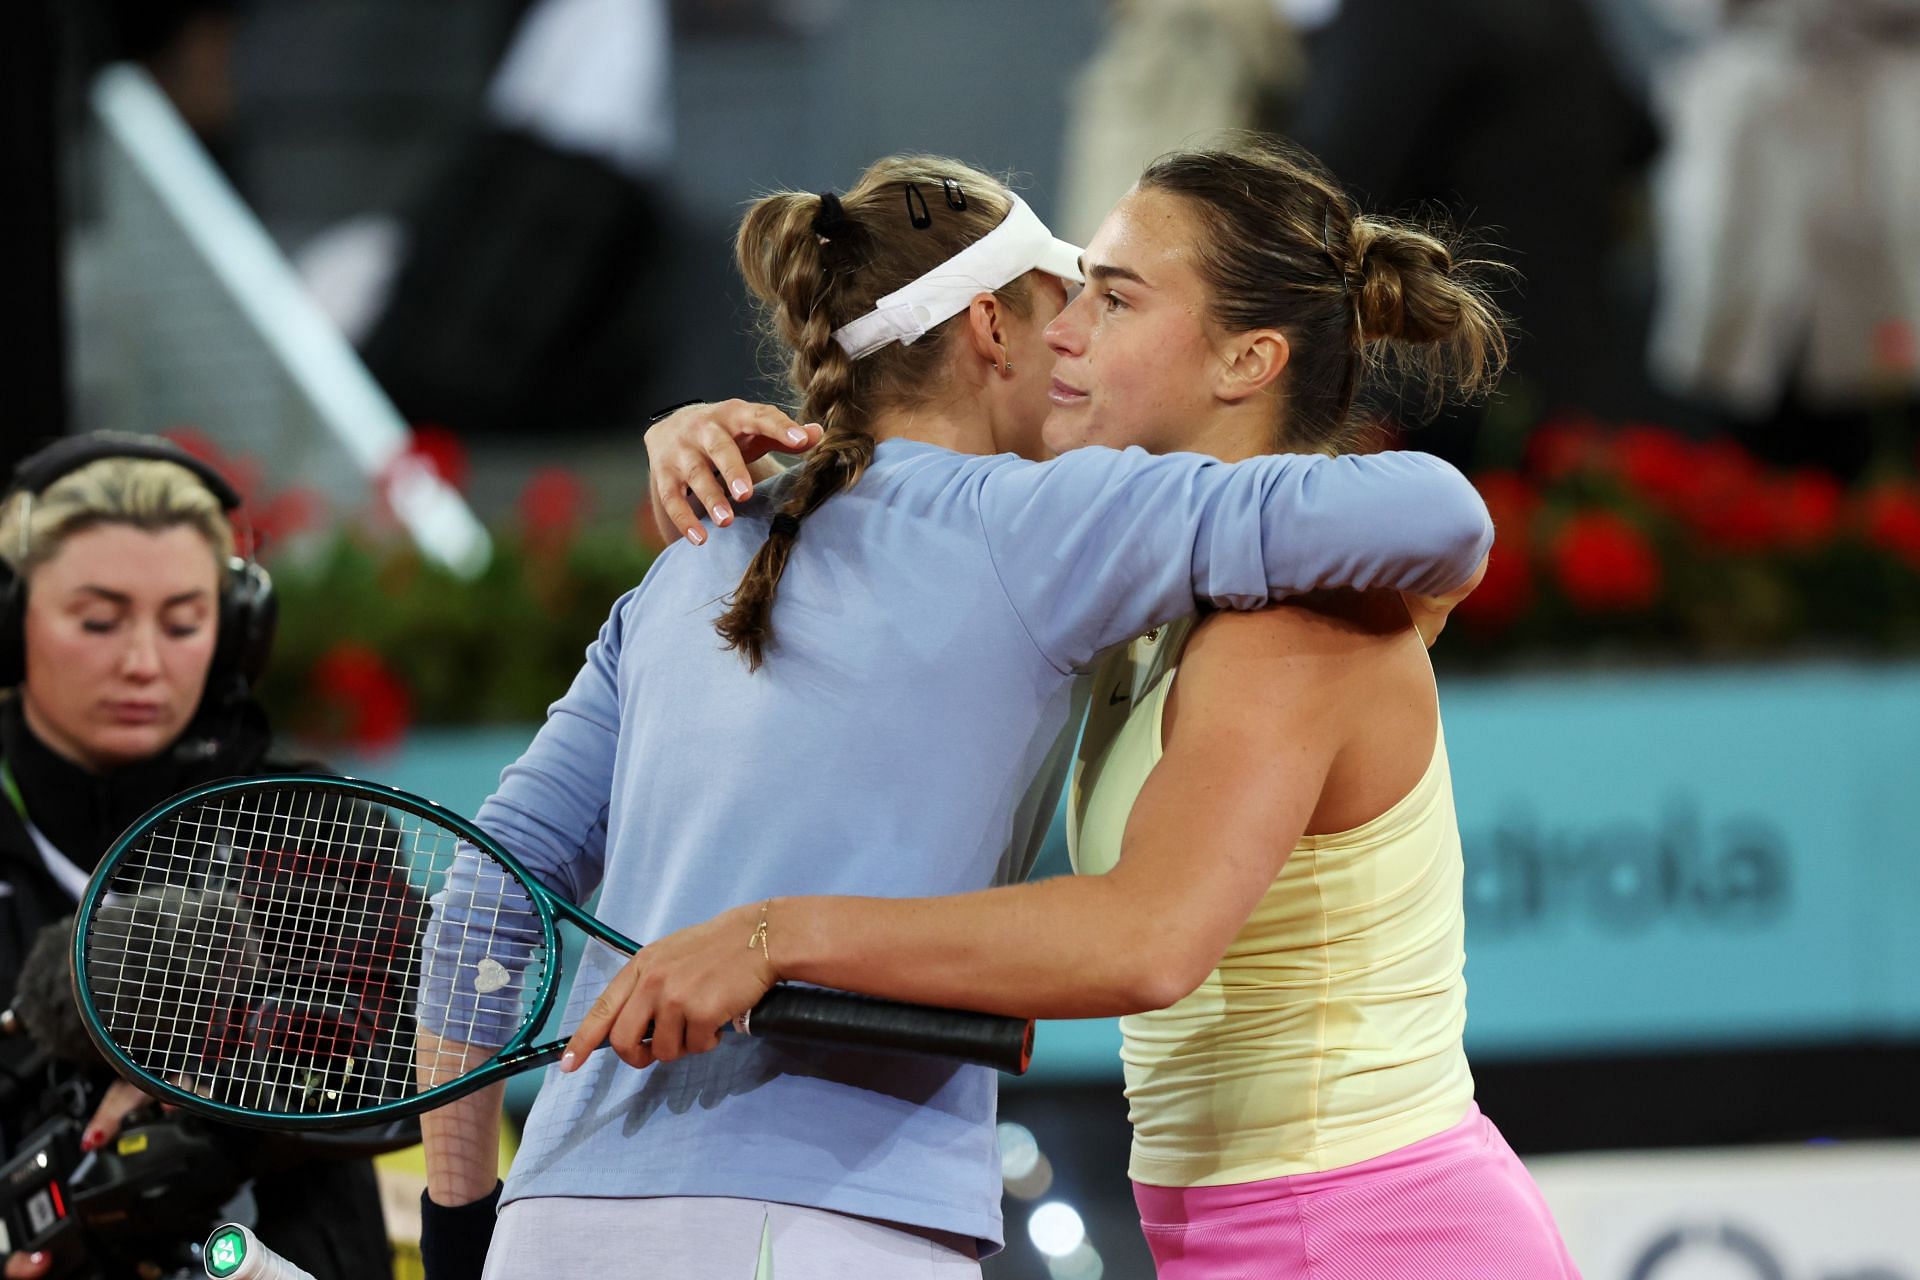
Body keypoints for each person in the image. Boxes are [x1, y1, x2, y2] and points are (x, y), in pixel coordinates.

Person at [416, 151, 1493, 1279]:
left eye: (1111, 299)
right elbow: (1440, 510)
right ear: (991, 328)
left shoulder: (685, 564)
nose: (1075, 333)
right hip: (833, 1219)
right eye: (1067, 296)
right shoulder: (1045, 525)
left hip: (555, 1215)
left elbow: (490, 890)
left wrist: (457, 1228)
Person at [0, 433, 392, 1280]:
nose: (143, 662)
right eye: (98, 621)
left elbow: (390, 1047)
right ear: (12, 621)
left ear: (235, 632)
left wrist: (195, 1101)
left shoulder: (308, 820)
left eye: (184, 622)